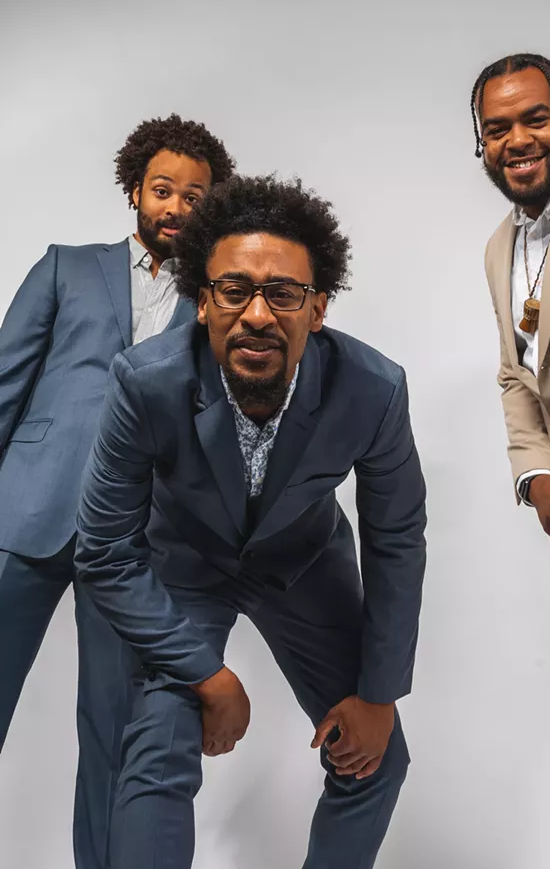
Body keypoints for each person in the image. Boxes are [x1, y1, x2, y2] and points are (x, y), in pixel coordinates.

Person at [74, 175, 427, 869]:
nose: (257, 314)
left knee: (376, 759)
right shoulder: (144, 382)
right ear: (202, 301)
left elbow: (396, 540)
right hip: (185, 566)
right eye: (234, 290)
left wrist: (379, 694)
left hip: (303, 565)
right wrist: (208, 675)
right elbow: (105, 551)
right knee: (156, 751)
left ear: (317, 308)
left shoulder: (374, 389)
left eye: (284, 293)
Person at [0, 113, 235, 868]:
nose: (176, 207)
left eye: (194, 197)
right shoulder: (66, 267)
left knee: (111, 727)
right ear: (135, 189)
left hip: (133, 538)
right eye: (163, 190)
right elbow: (5, 383)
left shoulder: (218, 299)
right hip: (29, 509)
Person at [473, 52, 550, 768]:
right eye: (497, 129)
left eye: (534, 118)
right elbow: (517, 375)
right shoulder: (500, 247)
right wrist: (537, 481)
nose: (516, 140)